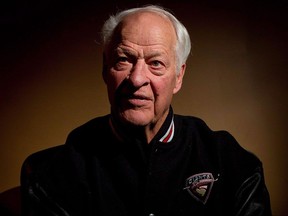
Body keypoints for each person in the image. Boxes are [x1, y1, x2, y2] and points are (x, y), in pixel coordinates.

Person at [20, 4, 272, 216]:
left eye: (156, 63)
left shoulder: (232, 164)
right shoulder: (52, 174)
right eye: (123, 59)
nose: (137, 78)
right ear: (105, 68)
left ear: (179, 76)